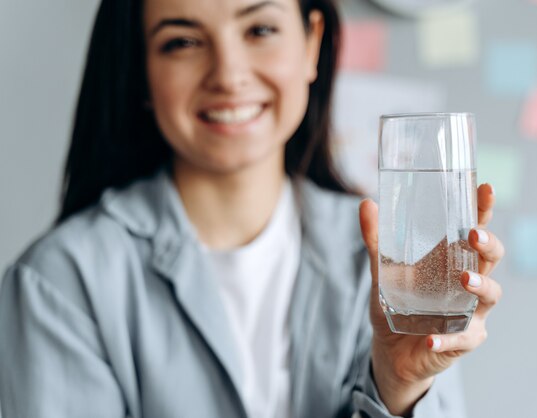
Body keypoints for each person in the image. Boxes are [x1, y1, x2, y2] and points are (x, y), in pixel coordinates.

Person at [0, 0, 504, 416]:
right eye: (182, 41)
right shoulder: (61, 284)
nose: (229, 74)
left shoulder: (385, 267)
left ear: (311, 44)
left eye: (260, 28)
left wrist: (396, 387)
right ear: (140, 69)